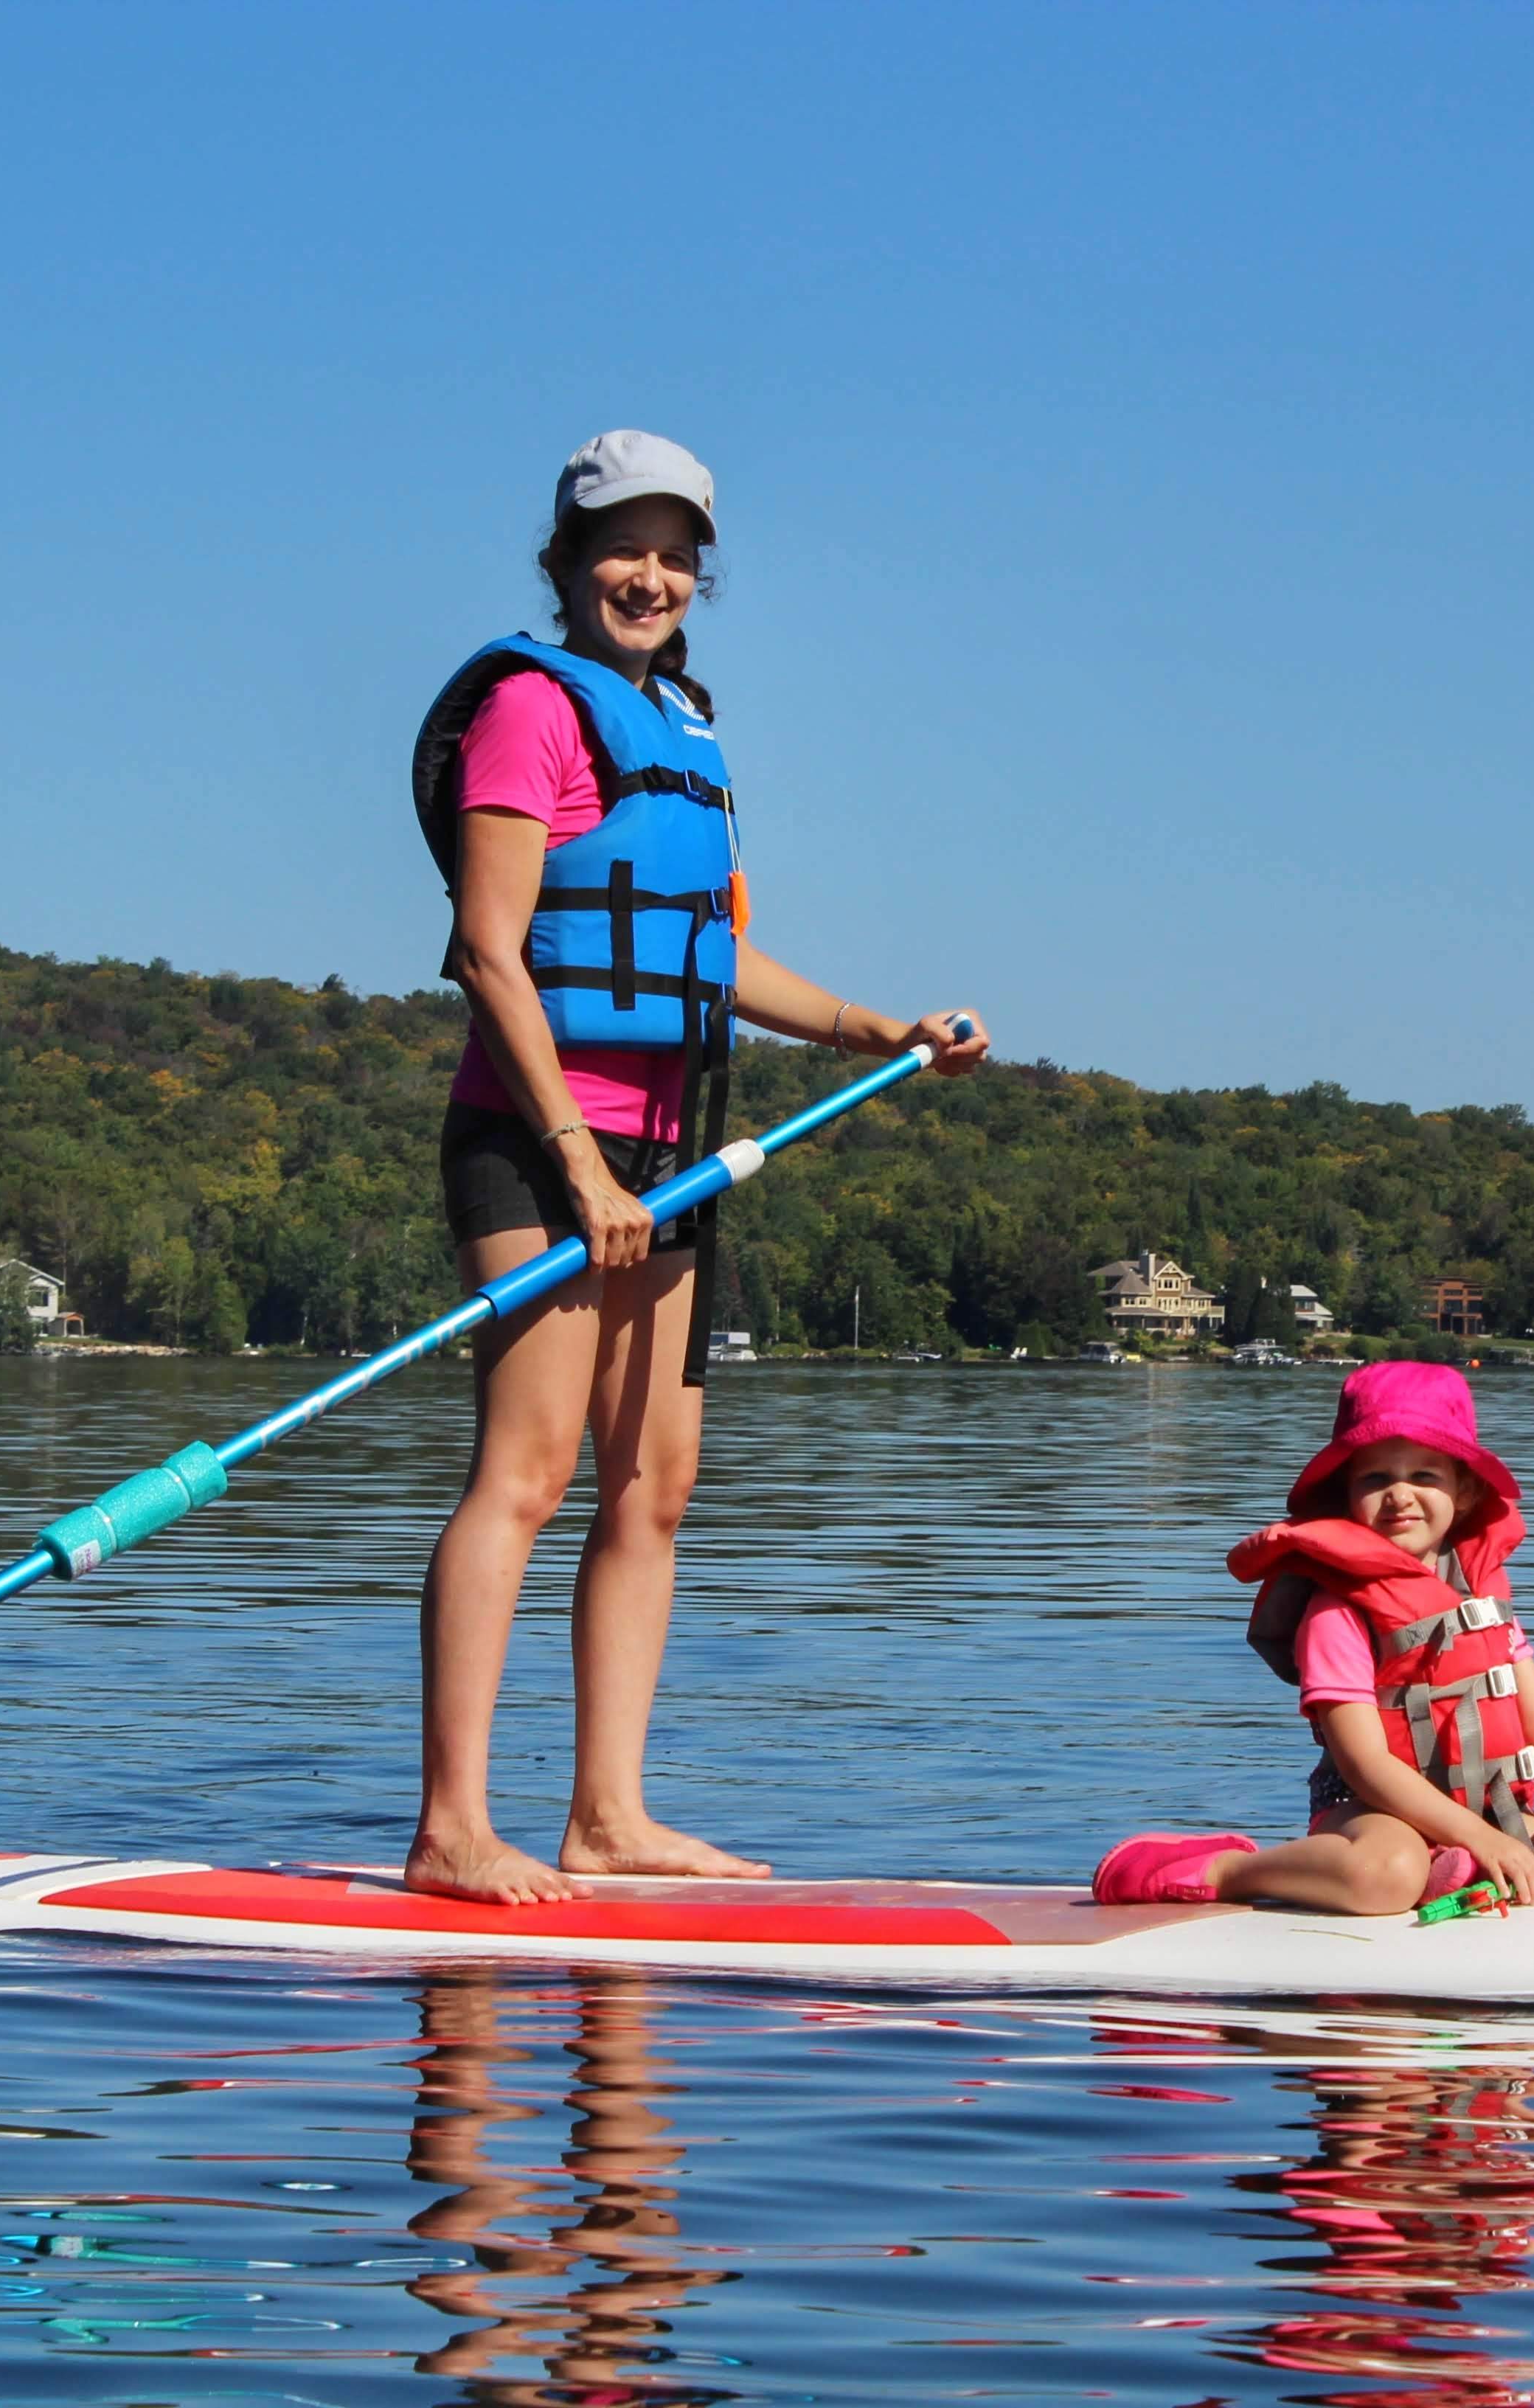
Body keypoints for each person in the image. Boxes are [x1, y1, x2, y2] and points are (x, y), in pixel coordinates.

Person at [403, 429, 988, 1902]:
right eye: (622, 544)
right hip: (544, 1140)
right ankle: (452, 1827)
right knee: (526, 1474)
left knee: (653, 1487)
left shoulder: (687, 728)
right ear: (564, 558)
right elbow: (489, 951)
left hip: (670, 1152)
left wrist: (873, 1027)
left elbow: (710, 956)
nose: (650, 574)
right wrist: (576, 1168)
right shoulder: (530, 714)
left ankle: (608, 1816)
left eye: (676, 551)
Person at [1092, 1360, 1534, 1911]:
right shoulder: (1337, 1611)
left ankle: (1480, 1876)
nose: (1400, 1494)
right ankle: (1231, 1869)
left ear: (1464, 1492)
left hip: (1489, 1817)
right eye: (1376, 1476)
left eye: (1425, 1474)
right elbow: (1363, 1762)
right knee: (1388, 1871)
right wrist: (1477, 1835)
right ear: (1346, 1495)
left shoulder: (1480, 1595)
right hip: (1372, 1817)